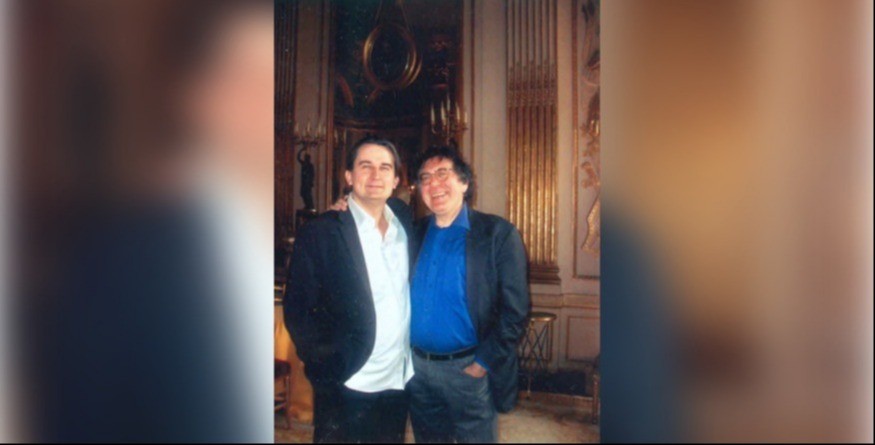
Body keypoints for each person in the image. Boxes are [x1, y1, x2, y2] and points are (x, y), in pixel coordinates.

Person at [284, 137, 415, 443]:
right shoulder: (321, 231)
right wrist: (324, 363)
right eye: (365, 166)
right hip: (348, 378)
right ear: (349, 177)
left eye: (385, 168)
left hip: (397, 379)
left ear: (396, 180)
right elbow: (298, 309)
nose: (375, 175)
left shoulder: (404, 222)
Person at [407, 146, 530, 443]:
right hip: (417, 369)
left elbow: (515, 311)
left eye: (442, 174)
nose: (433, 184)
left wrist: (483, 363)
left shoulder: (497, 234)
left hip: (467, 369)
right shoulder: (412, 233)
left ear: (464, 183)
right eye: (425, 178)